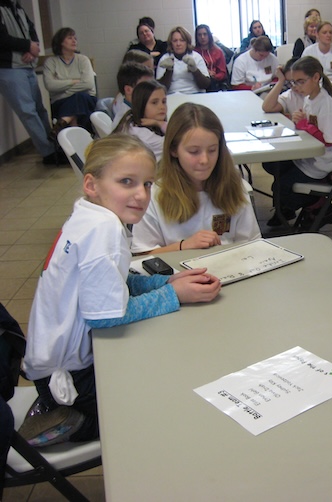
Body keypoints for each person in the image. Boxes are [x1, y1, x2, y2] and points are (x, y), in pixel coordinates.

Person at [20, 134, 221, 445]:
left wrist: (164, 282)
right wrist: (174, 295)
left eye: (147, 184)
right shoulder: (106, 231)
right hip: (72, 379)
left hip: (45, 367)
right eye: (126, 181)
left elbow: (115, 281)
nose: (141, 195)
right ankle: (70, 421)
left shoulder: (88, 214)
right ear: (92, 184)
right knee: (163, 411)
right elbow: (105, 317)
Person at [131, 103, 260, 254]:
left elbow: (253, 244)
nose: (204, 160)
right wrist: (183, 246)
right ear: (173, 150)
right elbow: (142, 255)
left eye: (212, 150)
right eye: (194, 151)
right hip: (174, 275)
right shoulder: (154, 195)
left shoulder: (236, 187)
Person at [261, 56, 332, 229]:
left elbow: (329, 140)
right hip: (307, 157)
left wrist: (303, 124)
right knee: (273, 166)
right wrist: (300, 120)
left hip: (321, 163)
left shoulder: (326, 104)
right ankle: (289, 209)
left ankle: (319, 206)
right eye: (294, 83)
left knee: (281, 188)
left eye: (300, 81)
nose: (297, 87)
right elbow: (310, 126)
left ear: (316, 77)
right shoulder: (309, 99)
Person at [0, 0, 59, 164]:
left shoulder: (16, 6)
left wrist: (33, 50)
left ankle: (53, 146)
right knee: (28, 112)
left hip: (27, 65)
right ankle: (48, 153)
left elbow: (31, 30)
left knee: (40, 110)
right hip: (9, 68)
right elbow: (2, 38)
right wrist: (27, 45)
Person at [43, 27, 97, 133]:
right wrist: (73, 81)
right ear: (60, 42)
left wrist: (64, 91)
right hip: (61, 103)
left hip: (86, 99)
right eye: (70, 38)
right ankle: (75, 130)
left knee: (80, 97)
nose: (74, 41)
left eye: (75, 38)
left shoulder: (83, 60)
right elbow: (50, 85)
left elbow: (88, 84)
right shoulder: (51, 62)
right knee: (77, 103)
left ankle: (63, 124)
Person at [113, 79, 167, 161]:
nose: (162, 107)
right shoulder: (140, 134)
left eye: (164, 101)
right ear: (141, 104)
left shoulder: (131, 117)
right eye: (154, 102)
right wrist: (160, 124)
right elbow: (178, 140)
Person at [156, 26, 210, 94]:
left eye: (182, 40)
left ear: (187, 42)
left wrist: (195, 70)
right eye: (175, 41)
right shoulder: (165, 58)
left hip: (195, 93)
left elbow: (205, 85)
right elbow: (160, 88)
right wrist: (168, 71)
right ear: (171, 43)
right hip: (172, 95)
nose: (178, 44)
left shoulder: (196, 57)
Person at [111, 61, 154, 129]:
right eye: (145, 87)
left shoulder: (138, 111)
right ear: (128, 90)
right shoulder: (128, 122)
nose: (152, 91)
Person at [194, 24, 228, 92]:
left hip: (215, 82)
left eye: (205, 34)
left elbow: (223, 73)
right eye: (199, 35)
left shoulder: (218, 52)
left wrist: (214, 76)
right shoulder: (193, 52)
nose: (202, 37)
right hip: (198, 82)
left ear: (209, 35)